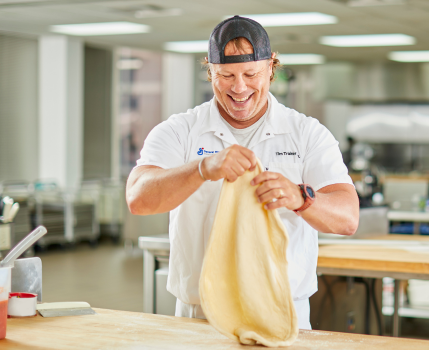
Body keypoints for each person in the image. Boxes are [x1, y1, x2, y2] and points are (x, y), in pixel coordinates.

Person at [126, 15, 359, 330]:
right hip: (201, 316)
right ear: (210, 71)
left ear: (271, 67)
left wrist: (302, 198)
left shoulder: (306, 133)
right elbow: (139, 198)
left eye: (251, 73)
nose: (239, 87)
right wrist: (202, 168)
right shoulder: (180, 131)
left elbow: (348, 218)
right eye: (226, 75)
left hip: (284, 311)